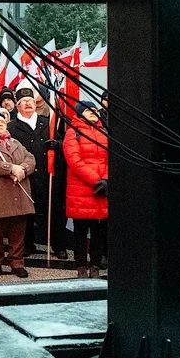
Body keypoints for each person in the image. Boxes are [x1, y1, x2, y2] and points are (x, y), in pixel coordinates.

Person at [0, 116, 36, 277]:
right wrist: (10, 168)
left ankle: (17, 262)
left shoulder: (16, 143)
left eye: (2, 122)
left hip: (18, 193)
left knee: (18, 231)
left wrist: (22, 170)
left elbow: (30, 158)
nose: (0, 124)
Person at [6, 89, 58, 257]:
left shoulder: (47, 123)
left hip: (46, 173)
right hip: (24, 175)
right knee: (25, 212)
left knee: (52, 209)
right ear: (18, 105)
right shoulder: (11, 127)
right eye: (24, 101)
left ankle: (58, 245)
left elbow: (62, 141)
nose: (28, 104)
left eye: (31, 101)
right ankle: (27, 244)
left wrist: (57, 144)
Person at [63, 101, 109, 278]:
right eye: (89, 111)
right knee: (80, 231)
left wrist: (105, 179)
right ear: (80, 113)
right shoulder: (72, 133)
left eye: (95, 111)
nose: (93, 113)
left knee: (99, 230)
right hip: (81, 189)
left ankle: (96, 265)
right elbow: (74, 161)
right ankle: (81, 265)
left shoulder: (104, 131)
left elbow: (109, 157)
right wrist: (96, 180)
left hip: (102, 189)